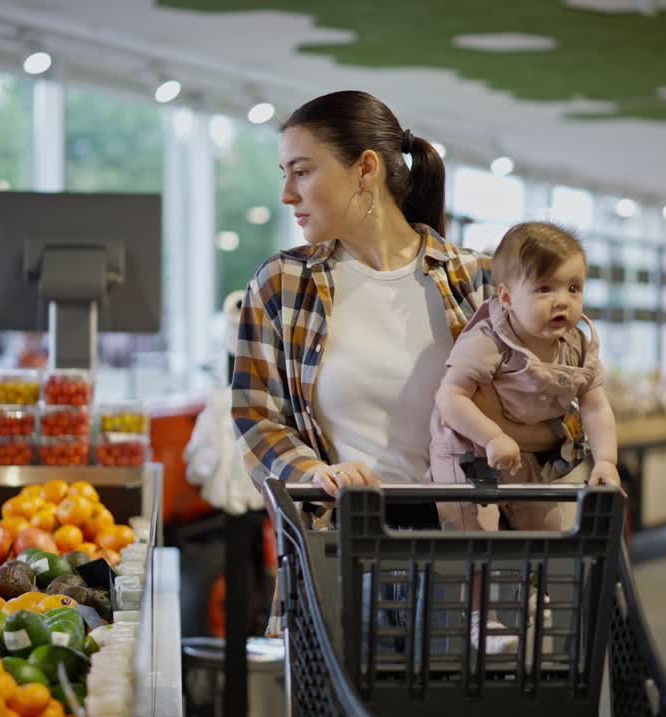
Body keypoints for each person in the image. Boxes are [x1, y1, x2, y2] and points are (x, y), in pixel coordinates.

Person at [231, 90, 582, 530]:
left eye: (301, 172)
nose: (286, 193)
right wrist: (316, 475)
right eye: (284, 174)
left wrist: (495, 431)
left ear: (366, 169)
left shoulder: (479, 280)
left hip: (476, 542)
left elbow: (568, 411)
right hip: (348, 542)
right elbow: (256, 417)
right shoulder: (282, 284)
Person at [430, 222, 619, 534]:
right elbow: (450, 397)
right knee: (472, 537)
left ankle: (528, 583)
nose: (562, 301)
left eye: (573, 288)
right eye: (544, 288)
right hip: (467, 445)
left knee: (545, 530)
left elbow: (596, 406)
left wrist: (606, 460)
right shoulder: (489, 341)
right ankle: (476, 582)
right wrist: (492, 436)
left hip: (525, 454)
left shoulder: (577, 346)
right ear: (506, 297)